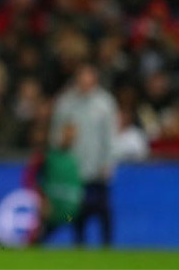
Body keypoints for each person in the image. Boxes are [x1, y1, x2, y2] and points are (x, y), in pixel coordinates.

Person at [50, 64, 117, 246]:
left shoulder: (105, 103)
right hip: (74, 169)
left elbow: (110, 137)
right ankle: (78, 245)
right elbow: (55, 137)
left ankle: (107, 246)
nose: (85, 82)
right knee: (76, 213)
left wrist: (108, 162)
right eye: (81, 78)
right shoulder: (65, 103)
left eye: (89, 78)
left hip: (97, 169)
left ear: (95, 79)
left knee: (103, 210)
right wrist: (63, 141)